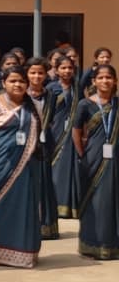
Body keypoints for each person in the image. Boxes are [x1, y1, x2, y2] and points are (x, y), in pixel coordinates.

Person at [0, 66, 44, 268]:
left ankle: (23, 252)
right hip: (0, 165)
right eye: (13, 81)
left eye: (22, 81)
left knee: (24, 207)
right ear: (3, 83)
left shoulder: (35, 106)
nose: (18, 85)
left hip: (27, 166)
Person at [74, 64, 119, 260]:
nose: (105, 81)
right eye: (100, 77)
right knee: (95, 200)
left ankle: (113, 244)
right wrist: (83, 154)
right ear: (94, 81)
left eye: (109, 77)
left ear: (115, 81)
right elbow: (76, 132)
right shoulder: (85, 104)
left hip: (116, 157)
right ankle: (92, 244)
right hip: (93, 158)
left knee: (113, 199)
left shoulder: (117, 103)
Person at [25, 58, 60, 240]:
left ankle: (46, 225)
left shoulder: (51, 95)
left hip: (45, 145)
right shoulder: (22, 94)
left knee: (45, 182)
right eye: (33, 72)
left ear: (46, 75)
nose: (37, 76)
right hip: (25, 144)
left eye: (40, 73)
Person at [48, 55, 81, 218]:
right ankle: (55, 203)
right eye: (63, 68)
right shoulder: (51, 88)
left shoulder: (77, 88)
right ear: (56, 70)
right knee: (56, 168)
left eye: (70, 68)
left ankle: (69, 205)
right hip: (55, 132)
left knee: (70, 167)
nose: (67, 71)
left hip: (73, 132)